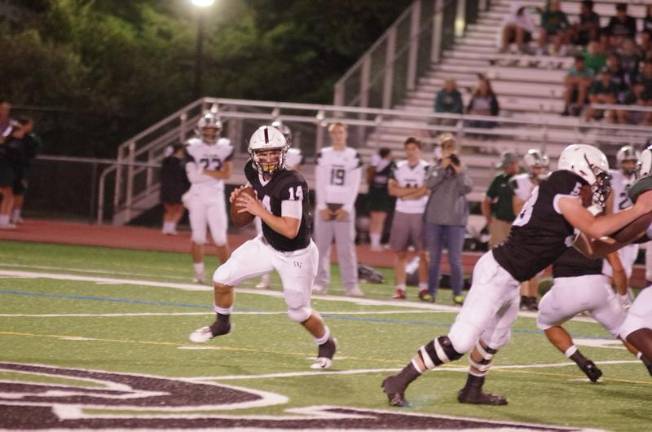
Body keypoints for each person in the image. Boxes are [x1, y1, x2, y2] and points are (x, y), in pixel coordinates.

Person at [381, 144, 652, 407]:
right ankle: (398, 380)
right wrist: (639, 209)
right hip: (497, 273)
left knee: (495, 337)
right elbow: (595, 228)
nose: (599, 186)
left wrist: (643, 218)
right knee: (461, 342)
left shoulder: (563, 204)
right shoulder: (563, 182)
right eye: (597, 176)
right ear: (580, 167)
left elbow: (596, 248)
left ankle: (472, 390)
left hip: (509, 278)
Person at [188, 125, 337, 370]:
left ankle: (326, 343)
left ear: (283, 152)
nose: (268, 158)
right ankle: (222, 324)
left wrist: (257, 210)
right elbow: (254, 197)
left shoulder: (293, 182)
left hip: (295, 254)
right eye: (262, 153)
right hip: (266, 244)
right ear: (253, 155)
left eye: (274, 152)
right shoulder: (252, 171)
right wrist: (242, 200)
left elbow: (290, 229)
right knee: (222, 278)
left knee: (298, 312)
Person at [538, 245, 652, 380]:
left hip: (565, 289)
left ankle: (583, 363)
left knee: (546, 322)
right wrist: (623, 298)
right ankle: (647, 360)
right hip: (599, 289)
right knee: (625, 330)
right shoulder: (598, 236)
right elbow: (618, 268)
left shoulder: (560, 236)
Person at [313, 122, 364, 297]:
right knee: (321, 248)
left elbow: (354, 183)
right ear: (331, 135)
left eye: (340, 132)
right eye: (334, 133)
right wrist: (321, 206)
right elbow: (319, 181)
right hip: (326, 206)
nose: (338, 135)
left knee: (346, 249)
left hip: (345, 207)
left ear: (346, 134)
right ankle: (320, 283)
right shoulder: (323, 154)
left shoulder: (353, 156)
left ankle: (351, 285)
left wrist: (348, 207)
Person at [183, 108, 233, 283]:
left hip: (216, 195)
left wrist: (203, 171)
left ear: (218, 131)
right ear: (200, 130)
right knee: (197, 236)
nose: (210, 133)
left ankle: (227, 276)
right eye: (207, 130)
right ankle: (199, 274)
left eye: (213, 130)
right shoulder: (192, 146)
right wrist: (215, 173)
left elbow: (227, 175)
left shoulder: (225, 146)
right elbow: (192, 177)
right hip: (197, 195)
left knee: (220, 238)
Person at [422, 133, 472, 305]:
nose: (449, 151)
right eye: (446, 148)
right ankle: (431, 292)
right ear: (441, 150)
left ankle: (457, 293)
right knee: (434, 258)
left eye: (451, 147)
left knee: (455, 259)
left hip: (456, 221)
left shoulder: (462, 168)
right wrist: (442, 168)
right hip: (434, 219)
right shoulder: (433, 167)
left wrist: (458, 171)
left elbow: (467, 188)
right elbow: (428, 184)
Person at [255, 120, 303, 290]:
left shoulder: (293, 155)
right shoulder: (259, 155)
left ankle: (292, 279)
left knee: (289, 241)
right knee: (264, 239)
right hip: (265, 202)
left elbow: (295, 178)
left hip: (286, 202)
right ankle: (265, 278)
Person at [387, 138, 430, 301]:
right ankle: (400, 288)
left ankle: (423, 288)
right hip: (402, 212)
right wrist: (413, 193)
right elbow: (391, 190)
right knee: (400, 252)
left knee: (423, 253)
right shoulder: (397, 167)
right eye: (408, 149)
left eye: (414, 148)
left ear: (419, 150)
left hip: (420, 212)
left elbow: (426, 190)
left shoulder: (427, 167)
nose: (411, 151)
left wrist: (403, 192)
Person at [510, 149, 549, 311]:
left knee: (538, 266)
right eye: (535, 167)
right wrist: (535, 192)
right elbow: (517, 208)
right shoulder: (519, 182)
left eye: (541, 167)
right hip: (526, 227)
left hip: (544, 228)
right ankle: (523, 296)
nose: (539, 171)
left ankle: (532, 297)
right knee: (525, 264)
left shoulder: (550, 181)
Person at [602, 146, 640, 290]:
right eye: (626, 162)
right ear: (619, 162)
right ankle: (607, 297)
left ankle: (621, 298)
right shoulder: (611, 177)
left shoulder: (642, 179)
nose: (630, 165)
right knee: (610, 267)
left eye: (632, 162)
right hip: (615, 226)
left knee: (627, 268)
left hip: (633, 227)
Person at [482, 151, 518, 248]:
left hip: (517, 224)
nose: (505, 169)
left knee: (517, 253)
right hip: (500, 222)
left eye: (507, 166)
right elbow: (486, 201)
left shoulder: (524, 179)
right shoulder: (499, 179)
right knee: (495, 252)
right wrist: (489, 220)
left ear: (514, 164)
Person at [9, 117, 41, 225]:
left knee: (19, 191)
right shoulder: (12, 134)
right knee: (8, 190)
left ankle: (16, 215)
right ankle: (7, 214)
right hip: (10, 167)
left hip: (23, 168)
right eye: (29, 125)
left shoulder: (31, 138)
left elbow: (35, 148)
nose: (31, 127)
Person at [367, 147, 395, 252]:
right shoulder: (389, 165)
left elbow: (369, 179)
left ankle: (374, 243)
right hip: (382, 196)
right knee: (380, 221)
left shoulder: (374, 165)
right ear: (387, 155)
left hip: (374, 196)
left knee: (374, 220)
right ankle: (375, 244)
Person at [160, 143, 190, 235]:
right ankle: (170, 228)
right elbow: (184, 177)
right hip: (178, 188)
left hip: (166, 188)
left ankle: (166, 228)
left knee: (169, 209)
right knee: (179, 209)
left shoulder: (166, 161)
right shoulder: (181, 163)